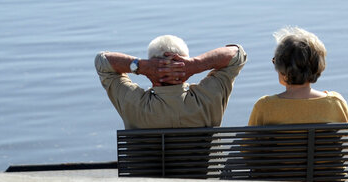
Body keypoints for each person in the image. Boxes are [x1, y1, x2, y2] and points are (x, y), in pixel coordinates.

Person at [95, 35, 247, 129]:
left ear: (151, 63)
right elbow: (237, 54)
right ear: (184, 61)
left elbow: (102, 62)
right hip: (204, 179)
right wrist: (196, 64)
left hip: (147, 181)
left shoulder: (133, 102)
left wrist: (141, 66)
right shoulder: (208, 97)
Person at [248, 27, 348, 125]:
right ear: (317, 66)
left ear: (281, 67)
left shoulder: (265, 106)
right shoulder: (336, 103)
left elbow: (248, 144)